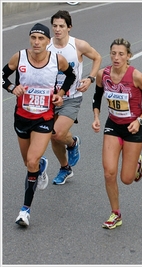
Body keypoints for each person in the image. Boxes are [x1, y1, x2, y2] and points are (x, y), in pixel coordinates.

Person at [2, 23, 76, 226]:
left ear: (47, 41)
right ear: (29, 39)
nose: (36, 42)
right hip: (22, 117)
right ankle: (40, 165)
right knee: (29, 163)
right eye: (33, 37)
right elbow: (2, 76)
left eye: (41, 38)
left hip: (44, 118)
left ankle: (24, 211)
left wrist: (60, 94)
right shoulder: (19, 57)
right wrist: (11, 87)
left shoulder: (56, 60)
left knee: (32, 161)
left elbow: (71, 75)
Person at [92, 38, 142, 229]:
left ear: (128, 56)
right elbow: (97, 97)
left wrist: (140, 120)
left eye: (121, 54)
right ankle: (116, 213)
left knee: (127, 179)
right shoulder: (102, 74)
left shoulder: (137, 76)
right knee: (108, 173)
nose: (116, 57)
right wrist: (96, 117)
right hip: (113, 125)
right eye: (113, 53)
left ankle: (137, 164)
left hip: (134, 128)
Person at [47, 10, 102, 185]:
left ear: (69, 27)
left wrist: (90, 78)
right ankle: (65, 168)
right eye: (54, 26)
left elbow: (97, 57)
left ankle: (72, 143)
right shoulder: (46, 46)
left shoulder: (78, 45)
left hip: (72, 96)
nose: (57, 29)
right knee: (52, 136)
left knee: (57, 133)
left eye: (61, 26)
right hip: (50, 98)